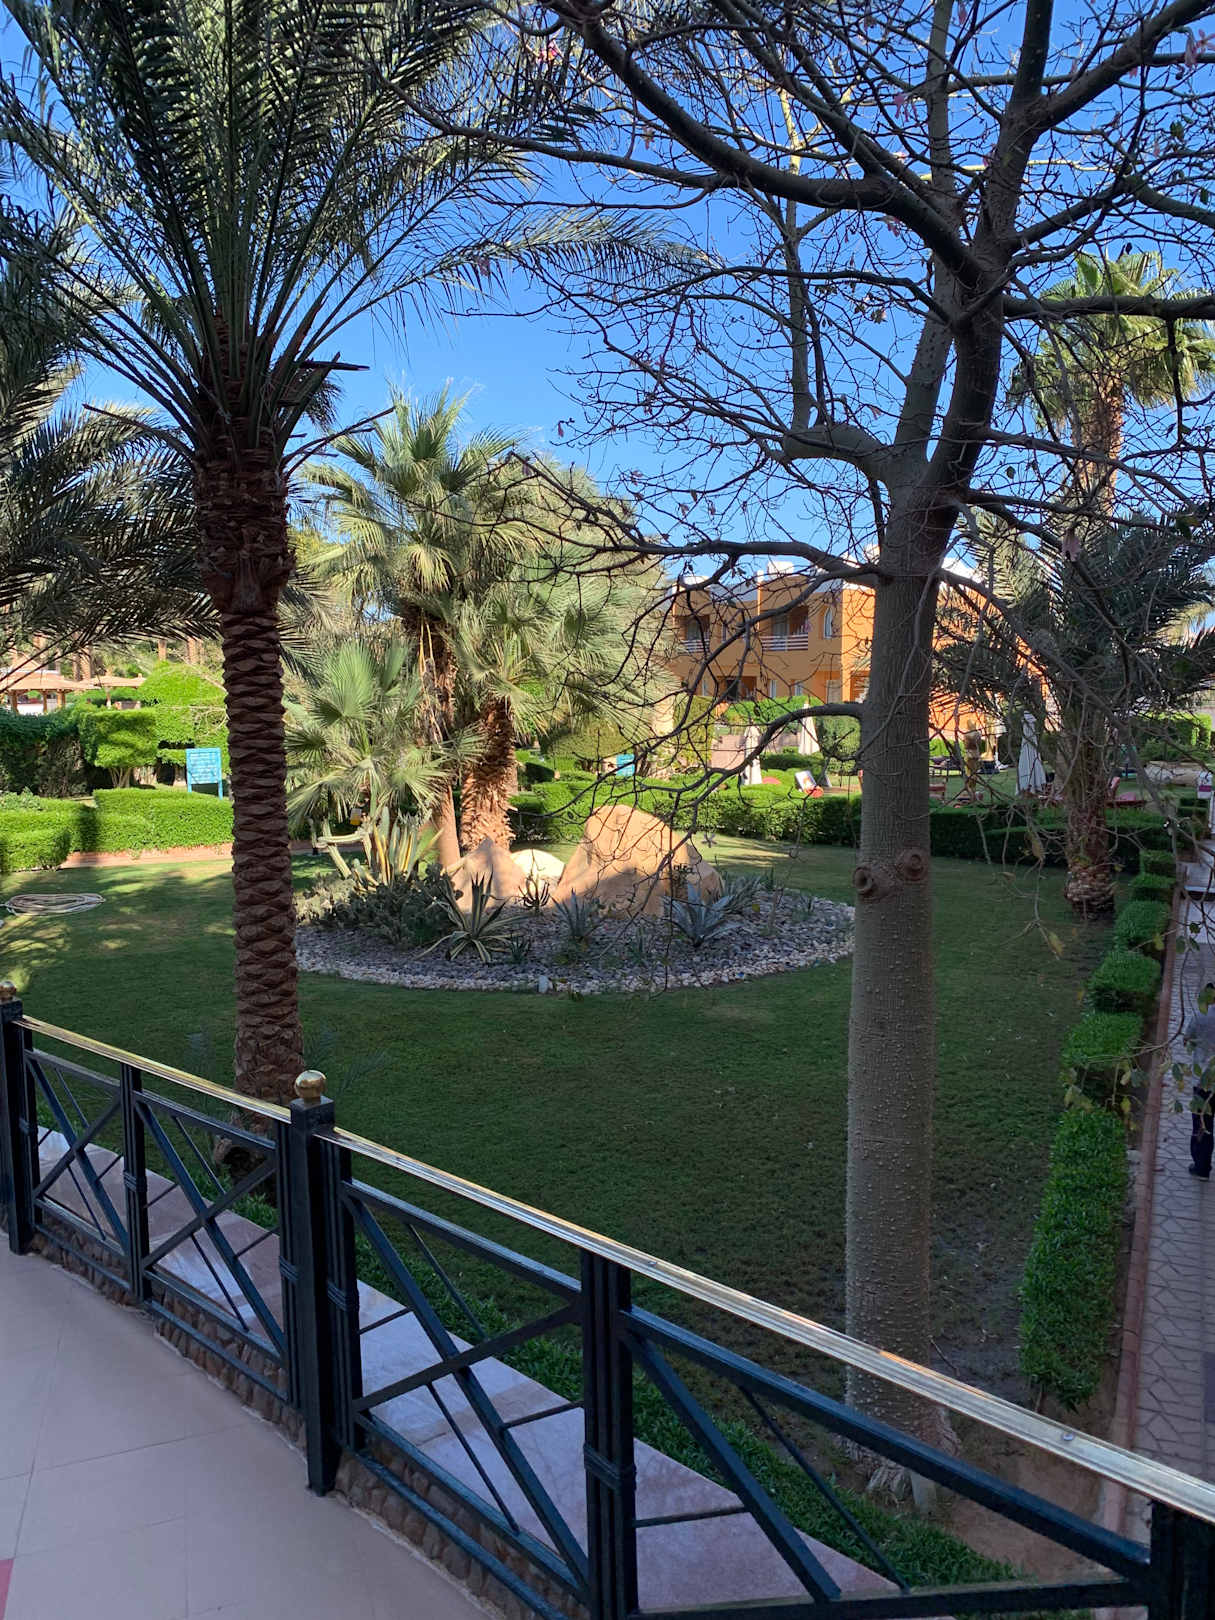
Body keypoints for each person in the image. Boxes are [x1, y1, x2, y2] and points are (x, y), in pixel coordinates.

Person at [1183, 982, 1215, 1179]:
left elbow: (1187, 1038)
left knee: (1203, 1124)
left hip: (1203, 1081)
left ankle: (1202, 1167)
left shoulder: (1200, 1016)